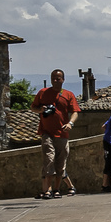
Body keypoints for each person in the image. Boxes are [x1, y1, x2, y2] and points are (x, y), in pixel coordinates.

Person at [32, 69, 80, 199]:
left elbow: (75, 111)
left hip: (62, 134)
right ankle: (47, 190)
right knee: (49, 159)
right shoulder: (42, 93)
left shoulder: (68, 95)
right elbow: (33, 107)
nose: (55, 80)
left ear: (63, 80)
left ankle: (56, 190)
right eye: (53, 78)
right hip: (46, 133)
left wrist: (70, 123)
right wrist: (40, 110)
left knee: (60, 163)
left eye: (58, 78)